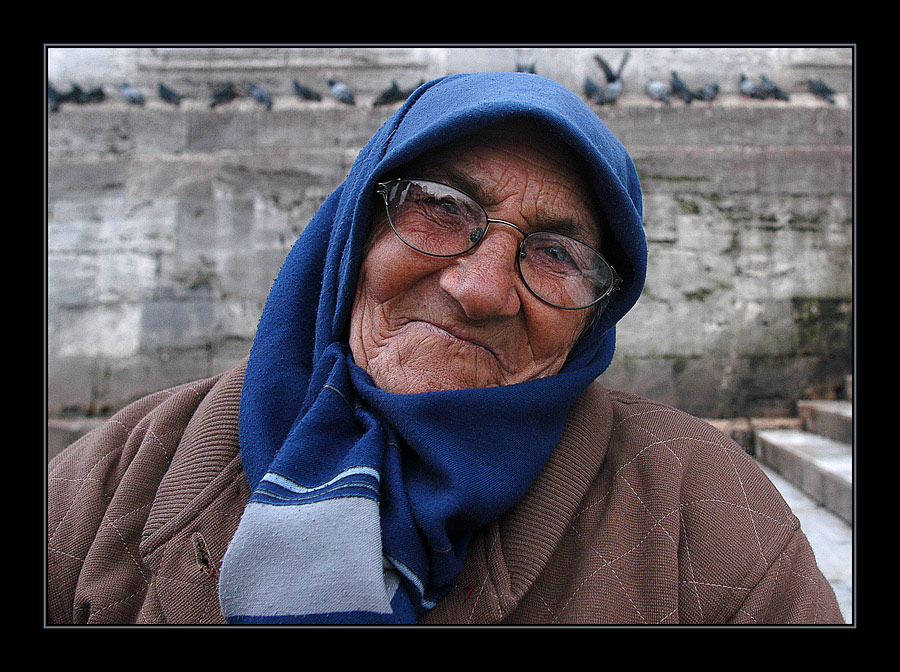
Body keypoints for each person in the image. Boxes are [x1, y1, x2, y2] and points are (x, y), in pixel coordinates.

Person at [47, 72, 844, 625]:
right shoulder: (121, 476)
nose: (481, 288)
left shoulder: (708, 522)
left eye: (558, 255)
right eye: (439, 208)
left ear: (595, 319)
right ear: (354, 233)